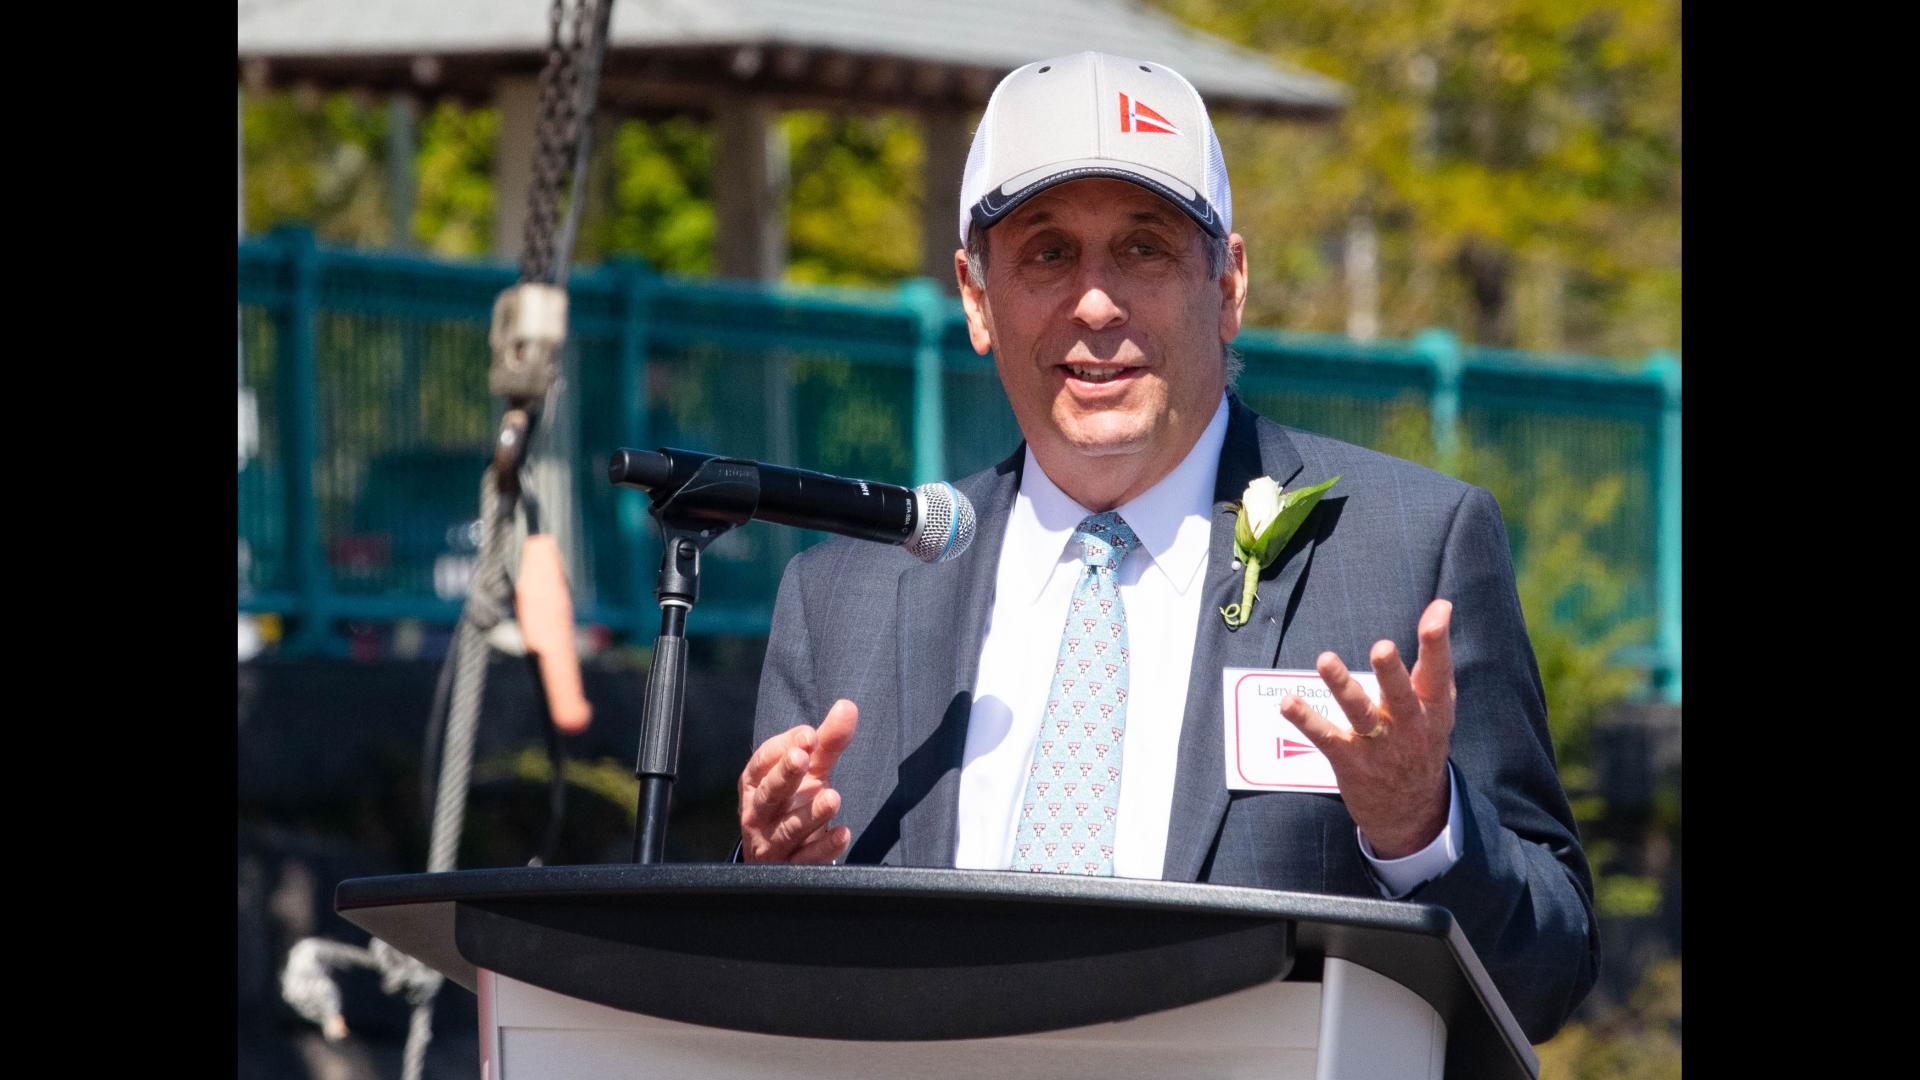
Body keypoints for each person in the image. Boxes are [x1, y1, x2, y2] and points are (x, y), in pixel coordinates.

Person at [736, 51, 1596, 1040]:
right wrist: (769, 887)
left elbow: (1551, 974)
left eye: (1143, 249)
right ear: (976, 298)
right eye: (1047, 254)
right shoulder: (838, 599)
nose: (1095, 303)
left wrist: (1420, 828)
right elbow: (764, 1011)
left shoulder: (1409, 549)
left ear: (1227, 284)